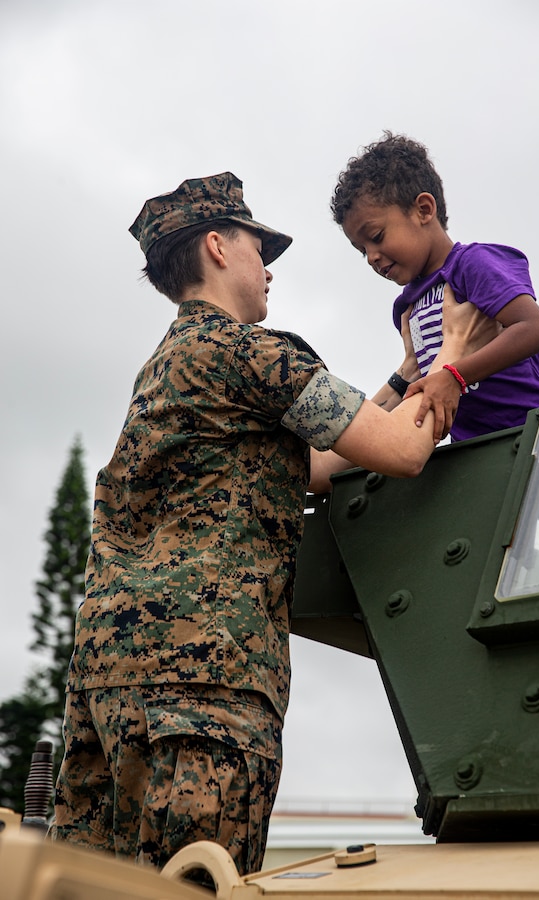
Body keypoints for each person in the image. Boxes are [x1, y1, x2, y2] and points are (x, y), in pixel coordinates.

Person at [51, 172, 480, 877]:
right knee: (195, 886)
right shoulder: (253, 354)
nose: (269, 266)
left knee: (93, 887)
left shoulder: (167, 366)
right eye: (259, 247)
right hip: (206, 685)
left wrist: (408, 373)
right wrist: (454, 358)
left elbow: (311, 464)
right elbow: (402, 451)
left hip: (107, 685)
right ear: (219, 247)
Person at [330, 132, 539, 442]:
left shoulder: (472, 264)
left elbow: (535, 328)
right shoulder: (405, 308)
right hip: (475, 450)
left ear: (424, 209)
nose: (371, 256)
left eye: (377, 236)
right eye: (361, 249)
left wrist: (455, 377)